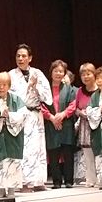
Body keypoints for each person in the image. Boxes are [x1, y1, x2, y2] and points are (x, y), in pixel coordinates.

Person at [8, 44, 52, 193]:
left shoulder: (37, 73)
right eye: (18, 56)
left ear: (30, 58)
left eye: (24, 56)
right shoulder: (11, 75)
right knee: (25, 149)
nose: (20, 59)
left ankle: (38, 181)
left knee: (38, 148)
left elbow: (48, 97)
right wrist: (28, 87)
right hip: (21, 115)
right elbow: (11, 96)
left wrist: (35, 87)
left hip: (36, 115)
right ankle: (24, 183)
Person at [0, 72, 27, 198]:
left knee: (12, 162)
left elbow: (24, 115)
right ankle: (0, 189)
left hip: (12, 136)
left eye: (4, 84)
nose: (1, 88)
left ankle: (11, 190)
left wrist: (9, 115)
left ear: (9, 86)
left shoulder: (16, 99)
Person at [41, 60, 77, 188]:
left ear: (64, 73)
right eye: (56, 71)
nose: (58, 73)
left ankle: (68, 180)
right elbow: (41, 105)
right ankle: (56, 181)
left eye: (61, 71)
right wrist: (51, 118)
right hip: (50, 124)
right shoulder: (45, 89)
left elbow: (73, 105)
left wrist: (62, 115)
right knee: (53, 152)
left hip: (66, 123)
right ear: (51, 72)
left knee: (68, 152)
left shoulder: (69, 89)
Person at [73, 63, 98, 187]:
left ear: (94, 74)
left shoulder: (100, 90)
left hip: (97, 125)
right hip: (84, 125)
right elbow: (75, 108)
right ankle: (90, 178)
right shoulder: (79, 91)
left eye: (88, 74)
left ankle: (101, 178)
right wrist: (80, 113)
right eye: (83, 74)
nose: (86, 77)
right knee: (87, 153)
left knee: (98, 153)